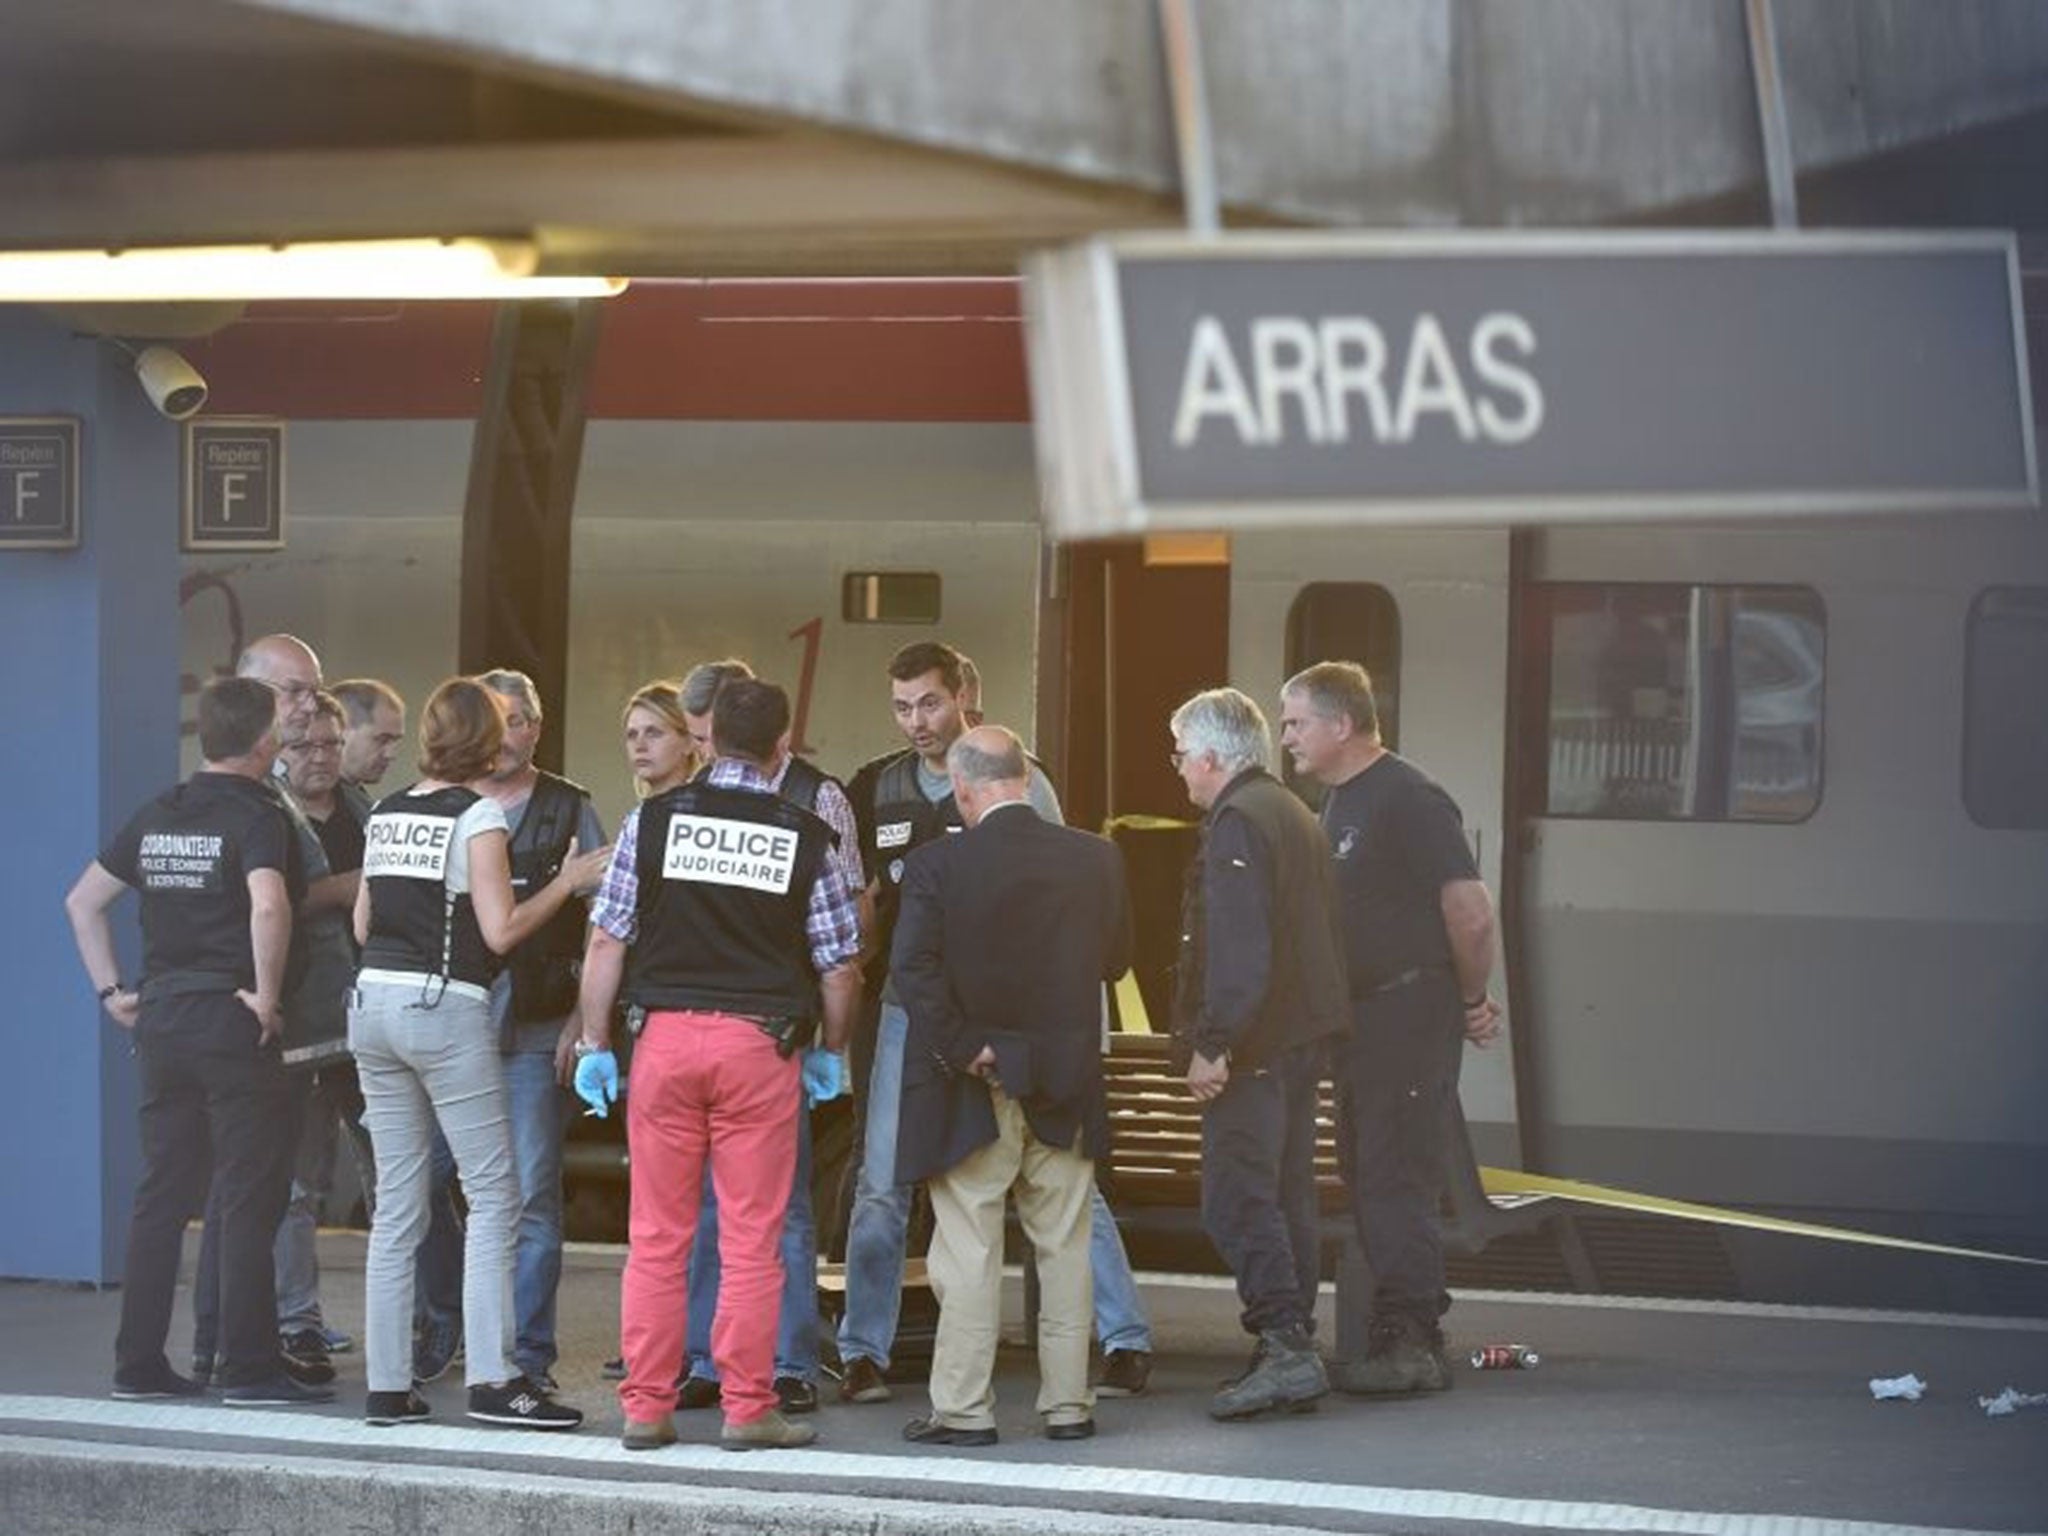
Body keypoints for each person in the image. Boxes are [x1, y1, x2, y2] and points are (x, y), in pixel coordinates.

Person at [838, 641, 1153, 1402]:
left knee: (1057, 1180)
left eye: (930, 703)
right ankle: (862, 1348)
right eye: (903, 706)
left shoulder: (1018, 779)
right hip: (911, 1012)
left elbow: (1056, 896)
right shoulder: (876, 787)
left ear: (964, 697)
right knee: (881, 1181)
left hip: (1007, 1021)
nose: (917, 721)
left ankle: (1124, 1337)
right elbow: (862, 899)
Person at [573, 677, 862, 1453]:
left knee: (658, 1236)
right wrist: (832, 1052)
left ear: (706, 742)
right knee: (751, 1237)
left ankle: (645, 1406)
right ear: (780, 748)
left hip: (662, 1042)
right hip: (760, 1050)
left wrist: (597, 1045)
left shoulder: (652, 822)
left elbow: (608, 939)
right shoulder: (806, 833)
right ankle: (747, 1408)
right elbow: (839, 964)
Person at [63, 676, 332, 1407]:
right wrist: (269, 998)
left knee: (161, 1194)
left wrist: (109, 992)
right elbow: (270, 904)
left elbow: (82, 901)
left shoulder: (161, 811)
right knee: (248, 1193)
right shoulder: (259, 814)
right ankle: (247, 1368)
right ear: (263, 742)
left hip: (163, 1018)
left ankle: (138, 1363)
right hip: (231, 1018)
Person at [349, 676, 609, 1429]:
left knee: (398, 1205)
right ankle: (498, 1380)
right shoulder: (480, 815)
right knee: (496, 1195)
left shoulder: (390, 811)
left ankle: (389, 1385)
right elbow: (501, 932)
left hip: (373, 1003)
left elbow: (366, 921)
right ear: (485, 738)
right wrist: (565, 881)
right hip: (444, 1005)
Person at [892, 727, 1133, 1446]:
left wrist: (971, 1048)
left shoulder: (937, 864)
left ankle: (964, 1410)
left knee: (968, 1247)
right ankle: (1067, 1405)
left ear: (962, 790)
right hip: (1065, 1079)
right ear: (1025, 779)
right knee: (1063, 1244)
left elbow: (914, 970)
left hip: (976, 1086)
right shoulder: (1098, 859)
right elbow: (1116, 962)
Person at [1279, 661, 1503, 1395]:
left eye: (1296, 723)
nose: (1286, 740)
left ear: (1342, 724)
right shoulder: (1341, 801)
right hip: (1363, 1020)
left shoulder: (1407, 797)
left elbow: (1470, 909)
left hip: (1407, 1013)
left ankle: (1411, 1340)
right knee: (1371, 1174)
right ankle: (1398, 1332)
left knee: (1396, 1176)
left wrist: (1471, 998)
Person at [673, 661, 860, 1418]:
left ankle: (786, 1362)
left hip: (758, 1030)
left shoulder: (818, 799)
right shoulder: (729, 805)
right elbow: (844, 941)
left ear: (716, 735)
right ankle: (708, 1359)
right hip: (770, 1031)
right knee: (724, 1210)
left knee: (767, 1210)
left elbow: (847, 921)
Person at [1169, 686, 1349, 1421]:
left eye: (1180, 754)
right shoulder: (1293, 811)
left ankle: (1284, 1345)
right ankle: (1292, 1341)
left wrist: (1215, 1043)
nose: (1176, 768)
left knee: (1238, 1198)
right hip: (1301, 1040)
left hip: (1259, 1045)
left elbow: (1241, 948)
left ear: (1211, 756)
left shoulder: (1240, 821)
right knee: (1287, 1197)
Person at [466, 667, 607, 1393]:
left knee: (529, 1194)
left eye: (519, 719)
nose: (508, 733)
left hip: (538, 1022)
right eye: (494, 719)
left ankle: (525, 1356)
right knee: (435, 1184)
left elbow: (610, 923)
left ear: (536, 728)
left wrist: (585, 1019)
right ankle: (449, 1335)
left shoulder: (570, 807)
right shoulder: (447, 801)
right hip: (454, 1024)